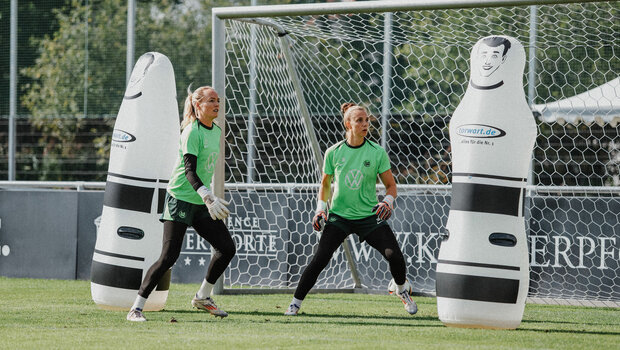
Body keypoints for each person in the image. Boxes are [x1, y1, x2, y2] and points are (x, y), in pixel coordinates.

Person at [284, 103, 417, 316]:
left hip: (369, 217)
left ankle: (401, 290)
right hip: (339, 217)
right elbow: (325, 184)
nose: (365, 124)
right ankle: (295, 303)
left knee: (395, 256)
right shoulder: (333, 152)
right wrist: (320, 210)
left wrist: (387, 202)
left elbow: (391, 186)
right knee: (319, 259)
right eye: (359, 121)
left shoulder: (377, 152)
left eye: (366, 120)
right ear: (348, 124)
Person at [127, 85, 235, 322]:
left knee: (227, 248)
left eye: (217, 100)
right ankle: (136, 308)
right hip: (180, 199)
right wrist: (207, 195)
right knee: (168, 257)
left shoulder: (216, 130)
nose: (216, 104)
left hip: (200, 201)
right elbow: (189, 172)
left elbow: (205, 171)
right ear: (198, 105)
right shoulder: (191, 132)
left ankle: (202, 297)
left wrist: (208, 197)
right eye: (210, 101)